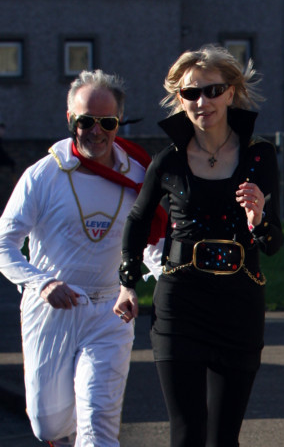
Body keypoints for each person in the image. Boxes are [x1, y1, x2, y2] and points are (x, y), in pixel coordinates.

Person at [115, 44, 282, 447]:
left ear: (231, 92)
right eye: (190, 93)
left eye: (212, 90)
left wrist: (258, 218)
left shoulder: (259, 156)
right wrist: (128, 282)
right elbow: (138, 220)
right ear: (179, 99)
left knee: (223, 437)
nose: (201, 101)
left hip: (239, 302)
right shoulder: (168, 161)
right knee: (187, 433)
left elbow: (274, 242)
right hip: (180, 303)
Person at [0, 70, 162, 446]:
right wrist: (41, 282)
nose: (96, 131)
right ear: (70, 119)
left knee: (99, 423)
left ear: (118, 122)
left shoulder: (139, 174)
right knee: (49, 426)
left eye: (107, 122)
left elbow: (152, 240)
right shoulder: (42, 175)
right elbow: (4, 243)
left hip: (110, 310)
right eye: (86, 121)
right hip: (52, 311)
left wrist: (152, 282)